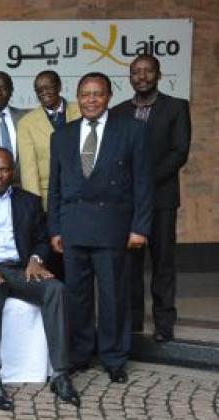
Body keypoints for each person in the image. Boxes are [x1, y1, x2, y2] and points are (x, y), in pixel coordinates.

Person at [0, 149, 80, 410]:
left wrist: (36, 259)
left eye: (5, 169)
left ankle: (60, 374)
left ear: (13, 172)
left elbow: (42, 239)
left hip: (22, 270)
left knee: (56, 289)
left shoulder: (29, 201)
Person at [48, 72, 152, 383]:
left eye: (97, 94)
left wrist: (140, 227)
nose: (91, 100)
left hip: (113, 228)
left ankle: (114, 357)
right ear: (77, 98)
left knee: (113, 296)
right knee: (77, 296)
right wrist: (55, 228)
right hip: (74, 228)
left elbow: (143, 183)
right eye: (85, 94)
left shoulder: (131, 130)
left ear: (108, 97)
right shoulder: (62, 135)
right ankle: (79, 354)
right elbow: (55, 187)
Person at [113, 55, 192, 343]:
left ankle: (164, 323)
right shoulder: (118, 112)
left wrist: (145, 181)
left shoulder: (176, 107)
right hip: (127, 202)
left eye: (148, 71)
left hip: (162, 199)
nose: (142, 76)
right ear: (130, 77)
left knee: (162, 262)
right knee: (129, 265)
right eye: (136, 72)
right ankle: (134, 322)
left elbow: (179, 152)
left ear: (158, 75)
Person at [18, 70, 81, 279]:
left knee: (80, 257)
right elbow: (29, 170)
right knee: (55, 256)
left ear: (59, 86)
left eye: (48, 87)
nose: (44, 92)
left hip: (81, 198)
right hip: (49, 202)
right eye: (39, 90)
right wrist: (37, 209)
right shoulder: (27, 123)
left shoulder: (81, 110)